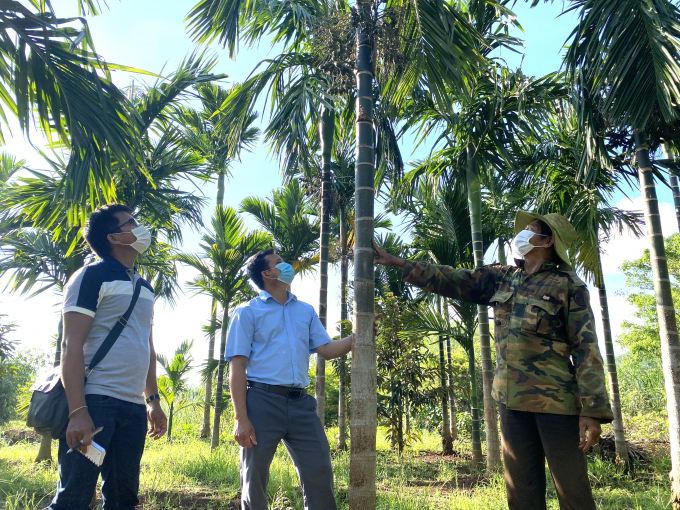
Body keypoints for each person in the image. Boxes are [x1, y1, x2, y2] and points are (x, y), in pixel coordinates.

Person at [372, 210, 613, 510]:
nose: (522, 234)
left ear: (548, 240)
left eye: (531, 229)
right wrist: (400, 264)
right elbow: (454, 278)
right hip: (510, 403)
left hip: (557, 406)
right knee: (521, 494)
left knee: (573, 494)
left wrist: (592, 410)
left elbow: (586, 349)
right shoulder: (502, 278)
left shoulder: (568, 285)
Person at [226, 248, 377, 510]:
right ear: (267, 273)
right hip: (262, 401)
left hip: (302, 405)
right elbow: (237, 366)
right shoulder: (247, 312)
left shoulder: (305, 311)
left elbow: (327, 349)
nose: (287, 266)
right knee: (255, 477)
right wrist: (241, 418)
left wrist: (359, 337)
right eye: (279, 263)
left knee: (319, 469)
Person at [49, 204, 167, 510]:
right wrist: (78, 411)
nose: (140, 227)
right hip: (96, 407)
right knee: (75, 496)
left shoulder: (144, 287)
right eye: (132, 223)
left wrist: (152, 400)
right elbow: (71, 345)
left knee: (123, 498)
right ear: (114, 238)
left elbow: (146, 345)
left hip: (132, 411)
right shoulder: (90, 276)